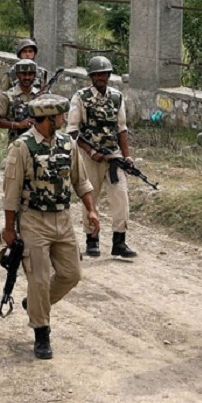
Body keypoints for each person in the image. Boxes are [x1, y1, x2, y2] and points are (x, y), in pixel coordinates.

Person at [2, 94, 99, 359]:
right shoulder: (22, 147)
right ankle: (41, 333)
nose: (64, 119)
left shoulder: (68, 144)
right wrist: (9, 229)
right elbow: (11, 193)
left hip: (62, 219)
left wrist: (91, 210)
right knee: (39, 279)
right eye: (60, 116)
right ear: (48, 119)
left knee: (72, 274)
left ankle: (35, 303)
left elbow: (80, 181)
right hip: (33, 221)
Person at [67, 56, 137, 259]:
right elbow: (73, 130)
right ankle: (92, 240)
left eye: (104, 74)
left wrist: (127, 156)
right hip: (90, 156)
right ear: (91, 76)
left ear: (108, 75)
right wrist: (91, 151)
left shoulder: (116, 97)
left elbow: (121, 128)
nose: (100, 78)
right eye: (96, 74)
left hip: (113, 156)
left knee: (121, 197)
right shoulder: (80, 97)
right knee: (90, 197)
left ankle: (119, 241)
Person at [0, 59, 40, 145]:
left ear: (34, 76)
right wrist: (18, 125)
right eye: (24, 74)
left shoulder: (40, 96)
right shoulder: (7, 96)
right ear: (17, 75)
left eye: (30, 74)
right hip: (16, 144)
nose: (27, 77)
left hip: (38, 144)